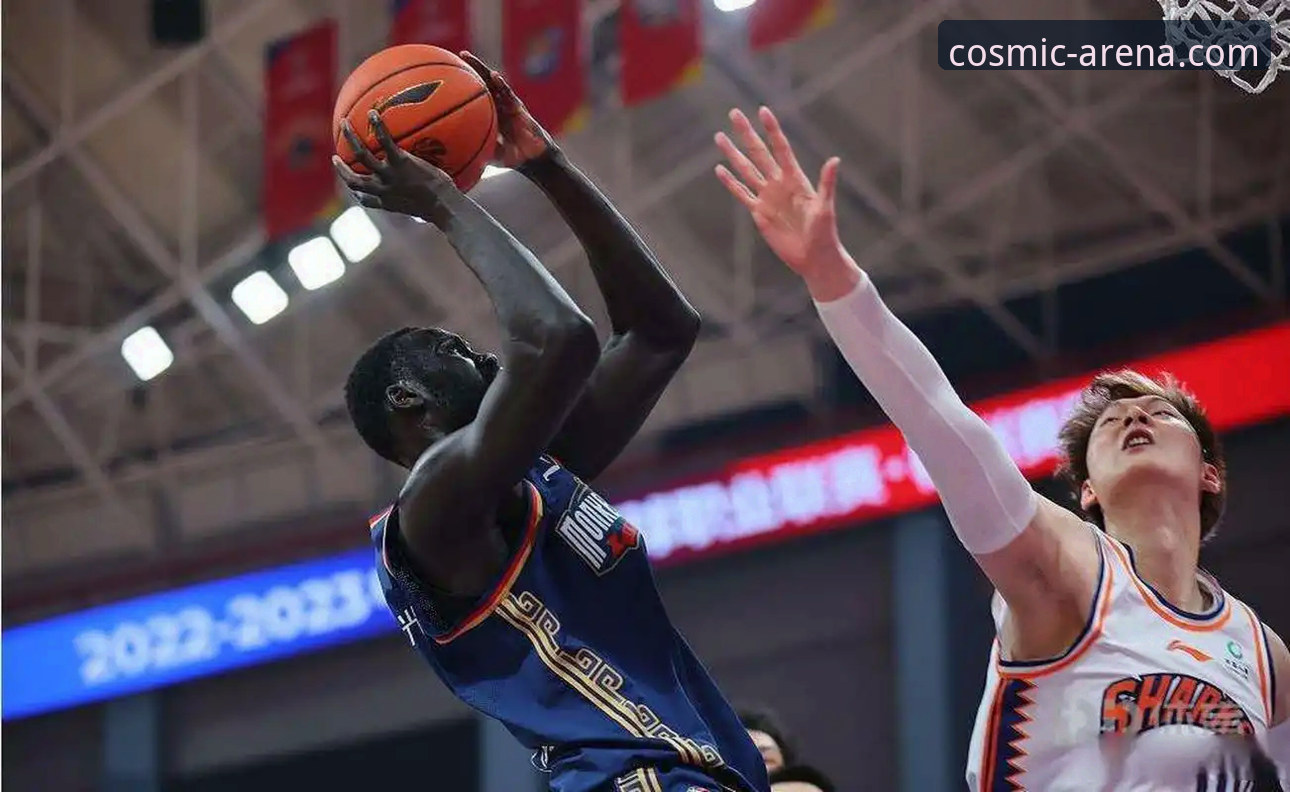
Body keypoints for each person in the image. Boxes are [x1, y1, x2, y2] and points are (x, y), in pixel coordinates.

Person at [713, 105, 1289, 790]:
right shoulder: (1069, 567)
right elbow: (937, 421)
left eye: (1160, 413)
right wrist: (832, 277)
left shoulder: (1261, 653)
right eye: (1111, 422)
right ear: (1087, 490)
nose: (1134, 415)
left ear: (1210, 474)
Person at [335, 54, 769, 792]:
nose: (484, 355)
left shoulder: (531, 477)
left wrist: (548, 166)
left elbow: (661, 331)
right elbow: (557, 338)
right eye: (455, 351)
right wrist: (441, 200)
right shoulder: (435, 506)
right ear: (409, 400)